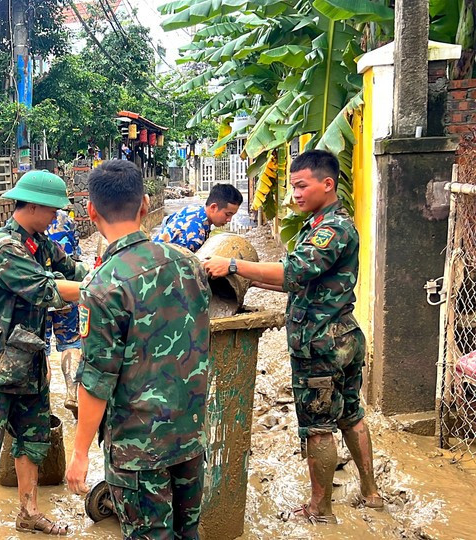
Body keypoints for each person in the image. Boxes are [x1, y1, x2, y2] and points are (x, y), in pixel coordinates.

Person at [203, 149, 382, 524]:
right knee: (351, 415)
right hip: (342, 337)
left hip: (320, 344)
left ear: (327, 184)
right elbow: (300, 284)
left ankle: (320, 510)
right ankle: (371, 494)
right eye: (292, 186)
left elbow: (294, 271)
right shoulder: (318, 226)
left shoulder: (332, 230)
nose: (295, 194)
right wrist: (249, 277)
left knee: (318, 428)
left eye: (302, 186)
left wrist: (233, 263)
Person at [65, 160, 211, 538]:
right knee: (188, 533)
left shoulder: (101, 286)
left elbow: (97, 380)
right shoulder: (189, 264)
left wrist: (79, 454)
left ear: (91, 211)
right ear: (145, 204)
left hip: (138, 449)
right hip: (190, 434)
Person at [0, 170, 86, 539]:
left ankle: (29, 513)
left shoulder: (39, 243)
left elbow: (72, 268)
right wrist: (98, 289)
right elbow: (46, 290)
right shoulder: (5, 247)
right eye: (53, 210)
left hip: (28, 361)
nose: (56, 216)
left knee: (34, 440)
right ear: (34, 207)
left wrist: (107, 275)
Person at [44, 209, 83, 416]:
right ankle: (72, 394)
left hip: (39, 292)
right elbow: (75, 256)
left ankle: (44, 406)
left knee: (40, 348)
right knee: (71, 342)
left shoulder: (26, 224)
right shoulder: (66, 219)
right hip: (67, 289)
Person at [155, 183, 243, 252]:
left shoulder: (192, 208)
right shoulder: (195, 237)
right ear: (213, 207)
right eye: (228, 214)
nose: (229, 220)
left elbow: (167, 221)